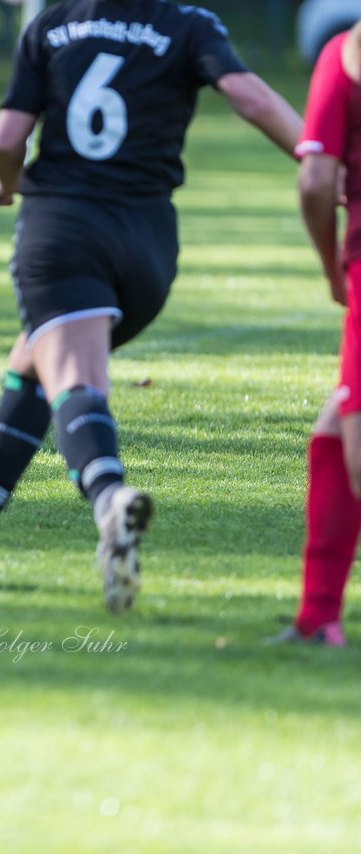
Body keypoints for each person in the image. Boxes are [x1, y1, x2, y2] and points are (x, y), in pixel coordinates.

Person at [0, 1, 302, 613]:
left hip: (66, 231)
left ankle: (109, 499)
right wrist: (318, 157)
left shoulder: (54, 23)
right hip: (150, 247)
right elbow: (255, 100)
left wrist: (6, 183)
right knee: (33, 358)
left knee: (73, 373)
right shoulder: (188, 22)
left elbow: (6, 138)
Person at [267, 23, 361, 647]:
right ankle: (317, 618)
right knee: (334, 426)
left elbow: (314, 181)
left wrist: (332, 265)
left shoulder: (346, 53)